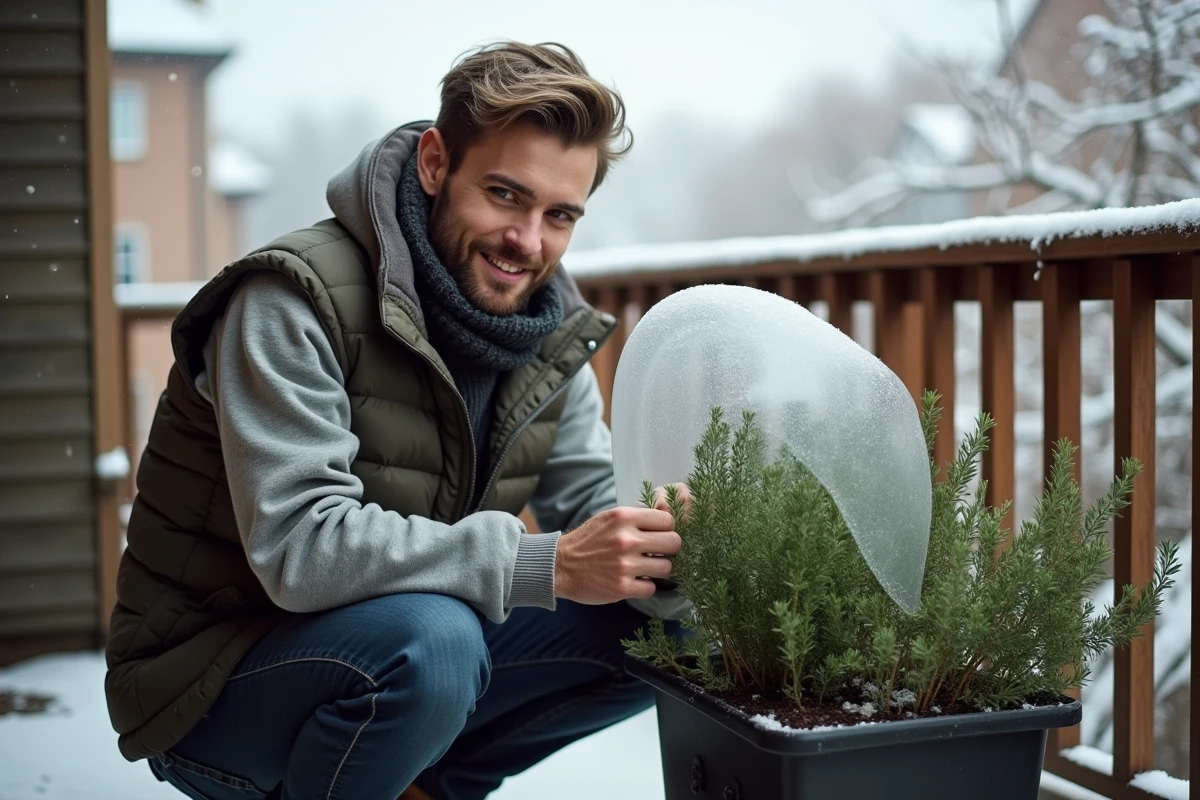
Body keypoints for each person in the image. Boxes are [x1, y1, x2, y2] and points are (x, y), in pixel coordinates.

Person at [103, 41, 691, 800]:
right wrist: (544, 565)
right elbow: (301, 548)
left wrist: (671, 550)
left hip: (401, 645)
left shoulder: (548, 335)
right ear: (437, 163)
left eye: (560, 215)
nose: (528, 241)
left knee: (660, 633)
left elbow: (594, 518)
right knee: (433, 643)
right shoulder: (291, 301)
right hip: (214, 675)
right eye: (506, 195)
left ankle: (418, 789)